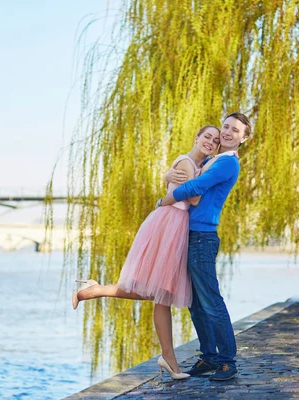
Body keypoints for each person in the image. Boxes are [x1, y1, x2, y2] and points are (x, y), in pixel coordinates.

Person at [71, 125, 221, 380]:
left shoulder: (191, 167)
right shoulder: (186, 164)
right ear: (196, 137)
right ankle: (95, 291)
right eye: (207, 136)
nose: (211, 142)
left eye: (216, 141)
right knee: (156, 291)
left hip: (177, 226)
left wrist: (193, 174)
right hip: (169, 224)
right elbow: (193, 199)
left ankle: (169, 359)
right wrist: (207, 173)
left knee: (161, 294)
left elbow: (186, 190)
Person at [157, 112, 252, 381]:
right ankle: (209, 356)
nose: (227, 132)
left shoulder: (227, 164)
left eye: (235, 130)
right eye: (225, 126)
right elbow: (188, 172)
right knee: (196, 304)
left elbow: (196, 186)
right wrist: (168, 174)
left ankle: (227, 361)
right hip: (190, 235)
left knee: (211, 302)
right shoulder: (213, 159)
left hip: (203, 237)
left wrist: (165, 199)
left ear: (243, 138)